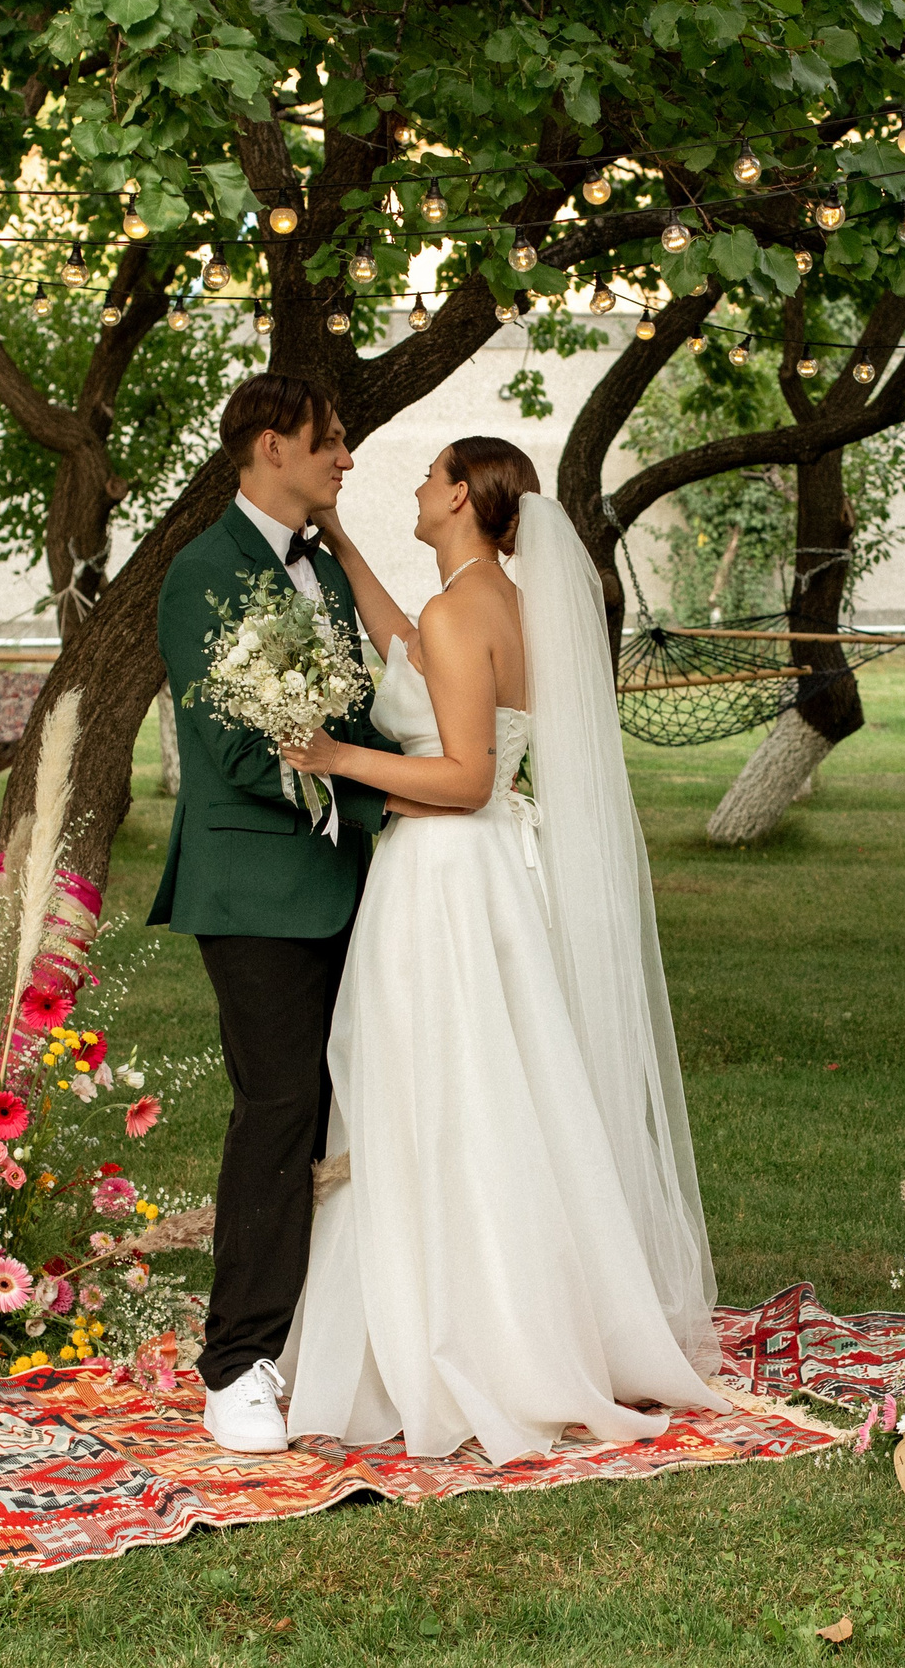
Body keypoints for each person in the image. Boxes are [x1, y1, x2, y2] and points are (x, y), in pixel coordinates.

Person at [272, 437, 724, 1464]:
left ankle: (438, 1337)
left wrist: (337, 755)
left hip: (442, 874)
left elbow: (468, 774)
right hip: (490, 881)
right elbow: (413, 655)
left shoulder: (458, 609)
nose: (416, 488)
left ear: (465, 497)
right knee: (495, 1089)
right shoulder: (499, 604)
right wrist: (340, 542)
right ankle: (516, 1314)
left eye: (432, 476)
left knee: (426, 1092)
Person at [147, 374, 402, 1454]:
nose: (344, 459)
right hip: (255, 889)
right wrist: (405, 788)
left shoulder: (324, 572)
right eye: (328, 440)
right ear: (269, 446)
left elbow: (345, 714)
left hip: (358, 878)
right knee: (279, 1107)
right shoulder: (202, 572)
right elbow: (239, 751)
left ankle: (338, 1336)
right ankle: (236, 1360)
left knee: (363, 1105)